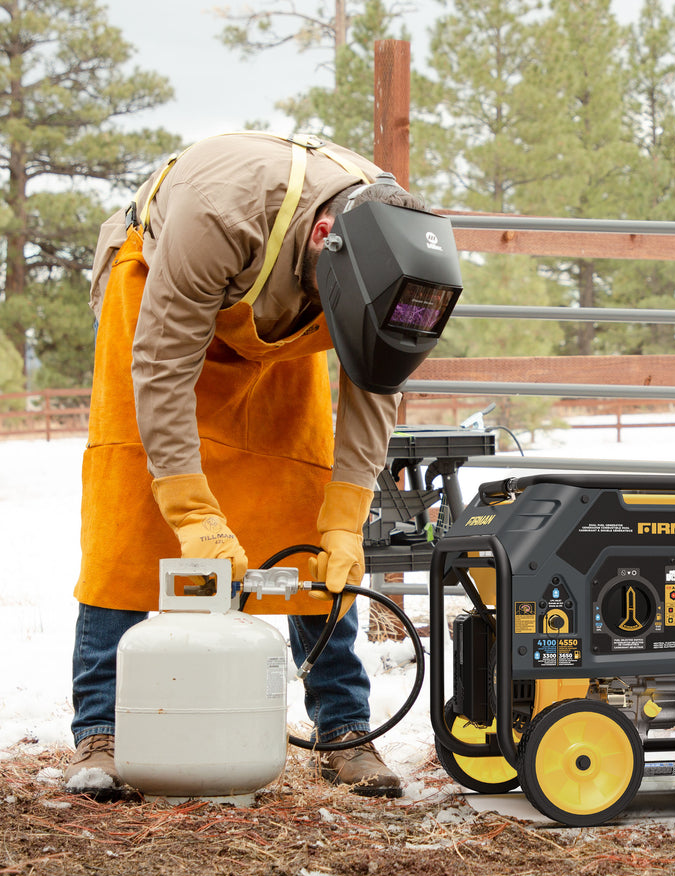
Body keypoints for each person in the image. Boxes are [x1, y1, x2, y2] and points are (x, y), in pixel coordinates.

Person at [64, 131, 462, 800]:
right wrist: (193, 513)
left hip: (280, 323)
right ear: (324, 236)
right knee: (131, 511)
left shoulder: (387, 252)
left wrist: (343, 517)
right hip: (165, 300)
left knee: (304, 514)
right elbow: (161, 371)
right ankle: (102, 729)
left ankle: (344, 727)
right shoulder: (216, 213)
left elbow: (374, 384)